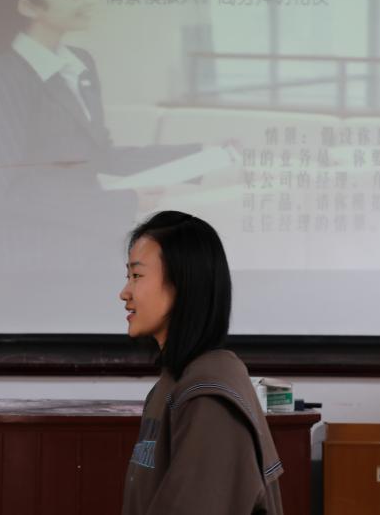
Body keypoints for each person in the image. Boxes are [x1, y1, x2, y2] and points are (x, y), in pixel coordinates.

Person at [0, 0, 199, 275]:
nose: (89, 1)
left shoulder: (79, 62)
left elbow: (99, 155)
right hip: (25, 260)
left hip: (88, 252)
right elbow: (9, 189)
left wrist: (202, 158)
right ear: (29, 7)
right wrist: (126, 201)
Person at [119, 211, 283, 515]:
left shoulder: (209, 398)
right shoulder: (176, 381)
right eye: (127, 277)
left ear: (183, 284)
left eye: (137, 276)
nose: (124, 293)